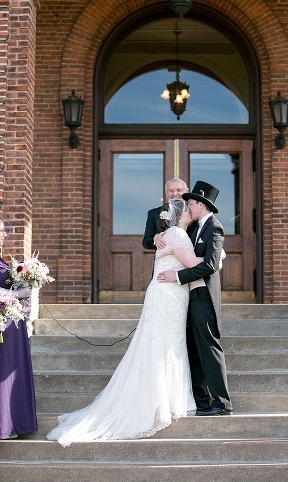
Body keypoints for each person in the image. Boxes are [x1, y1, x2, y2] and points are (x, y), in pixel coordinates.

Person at [47, 198, 200, 446]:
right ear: (182, 213)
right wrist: (218, 256)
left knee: (160, 344)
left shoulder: (169, 233)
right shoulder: (178, 234)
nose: (192, 209)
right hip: (168, 296)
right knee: (165, 344)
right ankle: (163, 402)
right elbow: (192, 263)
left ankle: (166, 399)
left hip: (165, 294)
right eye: (188, 206)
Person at [157, 180, 232, 416]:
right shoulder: (195, 227)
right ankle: (201, 401)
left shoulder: (214, 228)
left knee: (209, 348)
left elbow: (210, 265)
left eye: (190, 203)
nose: (188, 206)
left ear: (200, 204)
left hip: (204, 296)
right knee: (194, 349)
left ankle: (221, 403)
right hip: (191, 295)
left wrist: (177, 276)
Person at [0, 218, 36, 440]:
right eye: (0, 231)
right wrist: (17, 295)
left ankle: (13, 422)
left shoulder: (2, 260)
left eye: (4, 231)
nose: (4, 234)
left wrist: (22, 301)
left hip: (11, 323)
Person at [143, 178, 189, 251]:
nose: (174, 194)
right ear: (166, 193)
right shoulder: (154, 213)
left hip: (189, 258)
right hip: (165, 259)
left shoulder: (193, 212)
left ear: (186, 191)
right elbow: (146, 242)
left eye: (179, 190)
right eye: (170, 191)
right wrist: (155, 239)